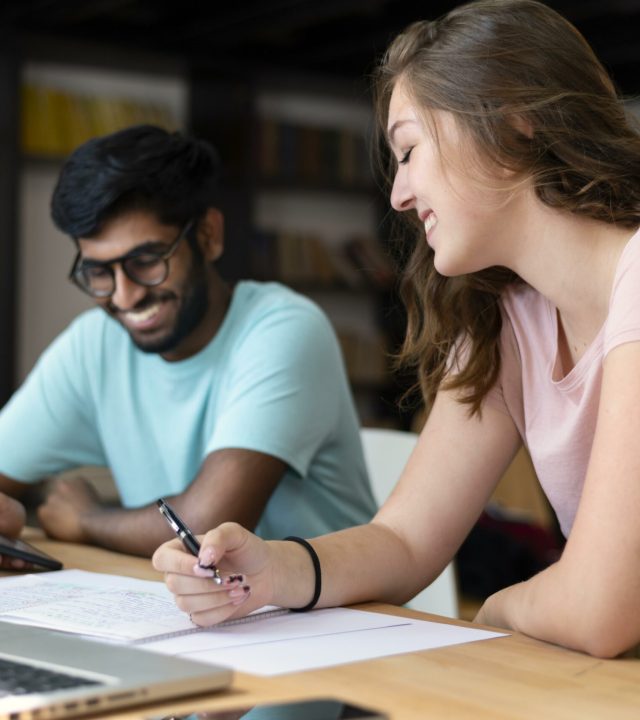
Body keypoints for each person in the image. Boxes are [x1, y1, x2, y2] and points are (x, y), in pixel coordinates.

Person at [153, 0, 640, 658]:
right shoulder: (508, 321)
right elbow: (406, 542)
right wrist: (270, 571)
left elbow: (599, 611)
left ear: (513, 118)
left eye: (409, 150)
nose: (399, 195)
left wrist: (499, 608)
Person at [0, 124, 376, 562]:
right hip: (195, 613)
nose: (125, 296)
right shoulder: (94, 345)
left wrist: (87, 519)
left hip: (344, 620)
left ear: (208, 236)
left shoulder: (284, 328)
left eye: (146, 261)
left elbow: (205, 527)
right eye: (99, 272)